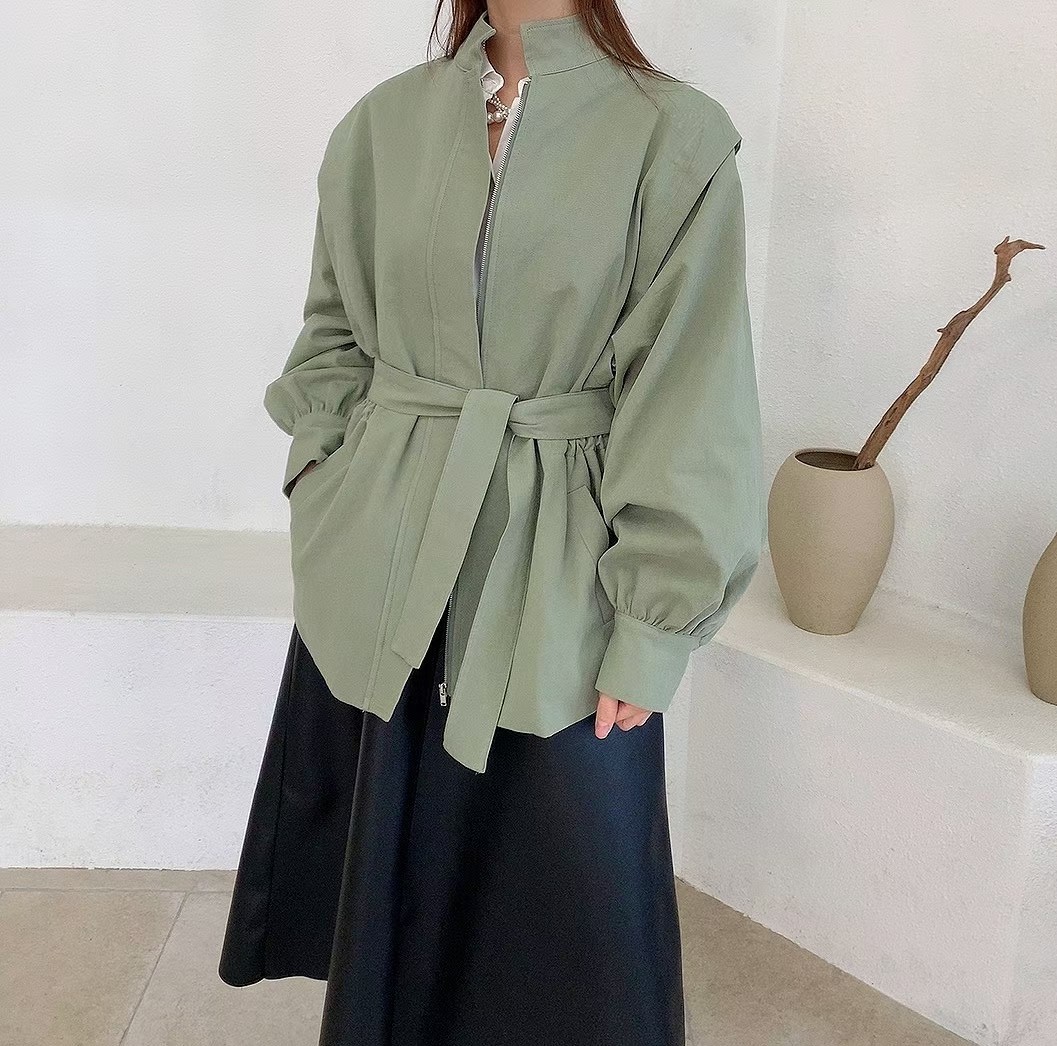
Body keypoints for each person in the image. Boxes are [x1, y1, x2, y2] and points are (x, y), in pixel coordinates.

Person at [218, 2, 765, 1044]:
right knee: (395, 914)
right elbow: (332, 334)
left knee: (571, 925)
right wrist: (322, 469)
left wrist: (656, 619)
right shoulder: (383, 124)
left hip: (559, 567)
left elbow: (693, 395)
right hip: (383, 556)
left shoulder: (673, 136)